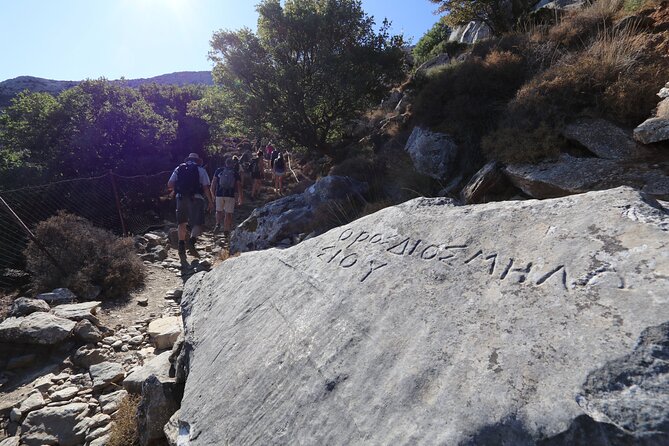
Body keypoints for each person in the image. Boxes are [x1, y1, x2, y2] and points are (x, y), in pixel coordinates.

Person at [167, 153, 213, 263]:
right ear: (197, 160)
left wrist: (179, 188)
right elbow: (206, 187)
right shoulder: (201, 170)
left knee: (181, 222)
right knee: (198, 222)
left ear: (188, 159)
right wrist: (211, 202)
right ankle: (191, 242)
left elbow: (170, 184)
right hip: (196, 198)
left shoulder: (179, 168)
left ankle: (181, 246)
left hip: (180, 198)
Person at [211, 157, 242, 235]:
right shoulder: (235, 172)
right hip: (230, 195)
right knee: (228, 213)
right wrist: (240, 197)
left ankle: (218, 224)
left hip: (219, 194)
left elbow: (213, 183)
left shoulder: (219, 171)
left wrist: (212, 193)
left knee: (218, 211)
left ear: (225, 163)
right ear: (233, 164)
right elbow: (239, 185)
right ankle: (226, 230)